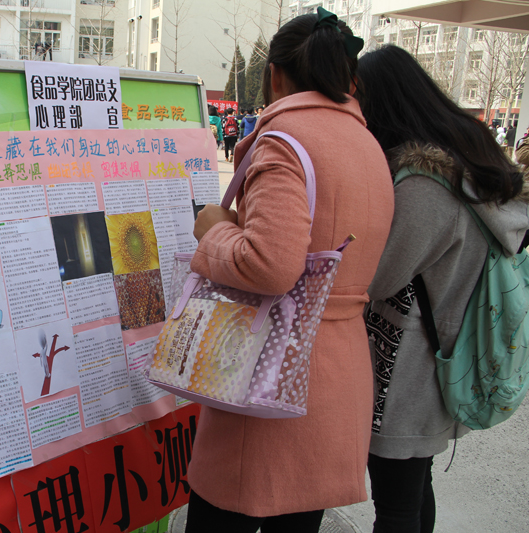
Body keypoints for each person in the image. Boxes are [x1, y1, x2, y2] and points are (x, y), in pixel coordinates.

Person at [184, 8, 394, 532]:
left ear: (275, 75)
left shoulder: (284, 140)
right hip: (337, 370)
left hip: (269, 368)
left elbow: (270, 265)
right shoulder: (368, 144)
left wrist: (214, 230)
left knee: (223, 514)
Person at [356, 44, 529, 533]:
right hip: (439, 351)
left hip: (408, 366)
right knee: (412, 487)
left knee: (396, 502)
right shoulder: (468, 162)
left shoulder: (426, 185)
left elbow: (380, 278)